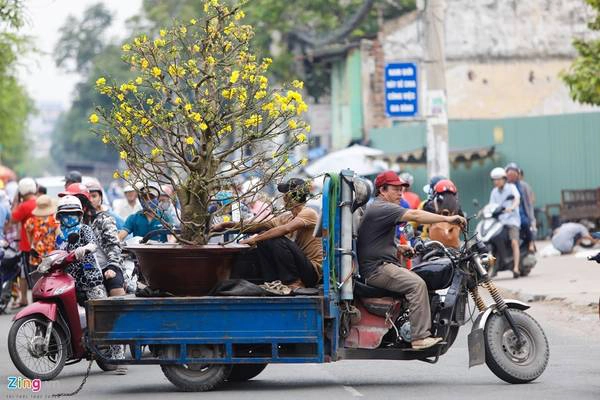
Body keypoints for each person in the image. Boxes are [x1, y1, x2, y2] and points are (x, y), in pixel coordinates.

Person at [357, 171, 466, 350]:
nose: (401, 193)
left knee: (418, 277)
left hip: (380, 264)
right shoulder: (384, 207)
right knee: (417, 285)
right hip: (377, 269)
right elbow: (416, 216)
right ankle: (420, 337)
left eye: (402, 189)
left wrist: (400, 249)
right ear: (382, 190)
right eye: (396, 189)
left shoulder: (379, 207)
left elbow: (372, 240)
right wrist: (448, 218)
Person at [214, 178, 322, 289]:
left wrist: (255, 239)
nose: (283, 198)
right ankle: (272, 281)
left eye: (284, 195)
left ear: (289, 196)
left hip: (311, 272)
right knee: (265, 236)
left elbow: (285, 229)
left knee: (272, 237)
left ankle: (294, 282)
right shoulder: (286, 217)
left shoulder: (309, 213)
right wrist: (226, 225)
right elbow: (257, 225)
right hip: (299, 267)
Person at [86, 182, 127, 297]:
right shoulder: (79, 220)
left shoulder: (106, 219)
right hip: (87, 268)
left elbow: (113, 245)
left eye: (94, 196)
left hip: (107, 265)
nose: (91, 200)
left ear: (100, 198)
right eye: (88, 197)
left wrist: (112, 267)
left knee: (116, 287)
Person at [10, 178, 38, 307]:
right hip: (41, 245)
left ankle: (31, 301)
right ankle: (27, 299)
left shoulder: (24, 206)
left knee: (28, 274)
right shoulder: (39, 202)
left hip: (27, 246)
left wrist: (16, 201)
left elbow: (13, 219)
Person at [489, 167, 521, 278]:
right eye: (494, 179)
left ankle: (516, 268)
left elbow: (517, 199)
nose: (496, 181)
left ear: (504, 179)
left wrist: (512, 207)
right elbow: (492, 206)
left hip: (512, 221)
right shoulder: (494, 192)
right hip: (500, 222)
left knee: (514, 242)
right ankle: (494, 267)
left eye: (498, 179)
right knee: (492, 240)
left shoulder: (511, 188)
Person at [505, 163, 535, 250]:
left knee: (525, 223)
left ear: (517, 175)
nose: (511, 177)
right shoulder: (505, 186)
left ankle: (531, 242)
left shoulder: (523, 186)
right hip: (506, 212)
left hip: (520, 211)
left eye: (513, 174)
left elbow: (529, 202)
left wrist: (531, 218)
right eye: (509, 174)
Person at [24, 195, 59, 268]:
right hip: (51, 254)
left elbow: (28, 233)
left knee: (37, 277)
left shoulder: (31, 221)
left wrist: (31, 244)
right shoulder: (54, 220)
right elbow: (58, 236)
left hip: (36, 253)